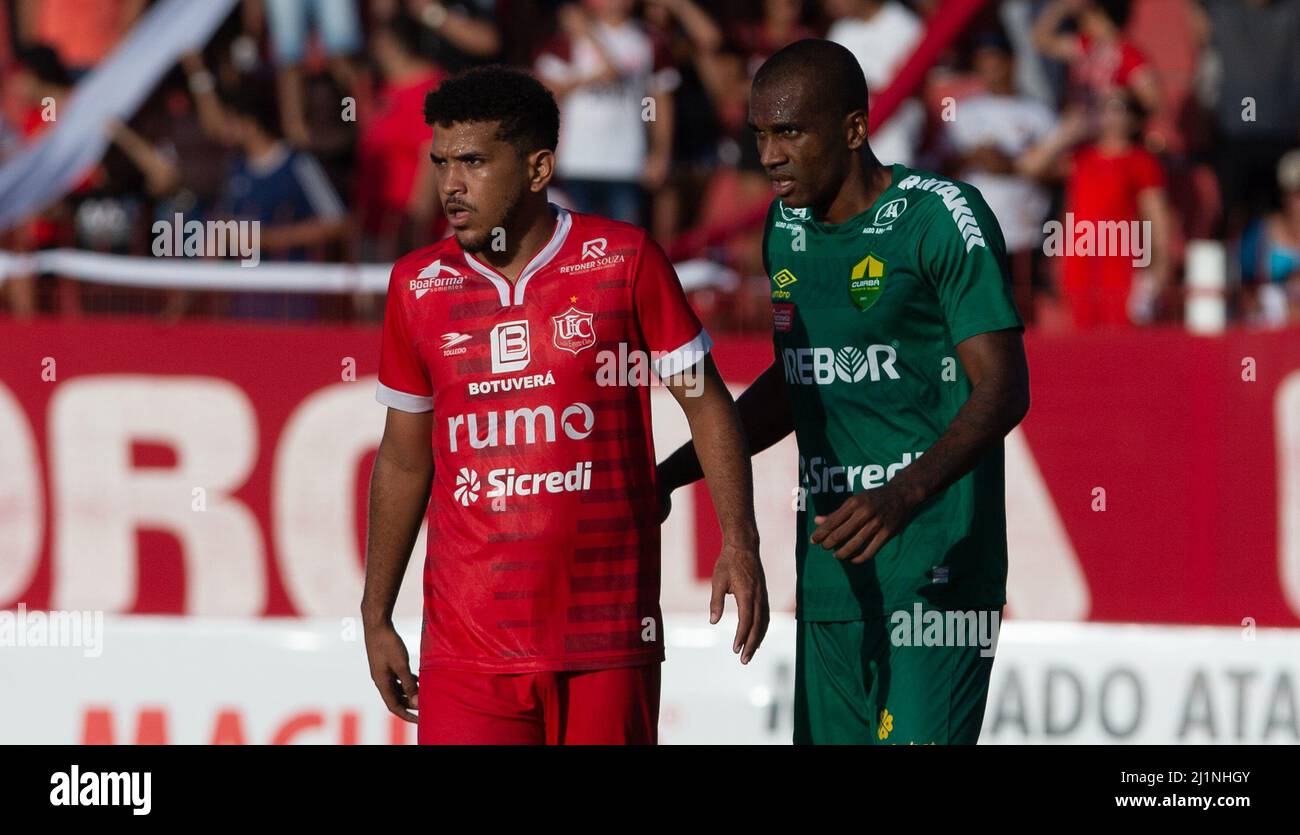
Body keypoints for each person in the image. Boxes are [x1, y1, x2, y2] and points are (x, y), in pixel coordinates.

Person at [360, 66, 767, 745]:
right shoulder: (416, 286)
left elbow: (708, 405)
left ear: (538, 166)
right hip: (466, 651)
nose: (450, 186)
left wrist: (741, 538)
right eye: (440, 163)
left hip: (605, 635)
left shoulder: (624, 260)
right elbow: (404, 462)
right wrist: (375, 613)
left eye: (472, 162)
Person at [657, 39, 1030, 745]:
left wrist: (904, 493)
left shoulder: (941, 215)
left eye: (790, 133)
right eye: (760, 135)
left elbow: (1005, 387)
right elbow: (798, 382)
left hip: (935, 574)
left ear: (855, 130)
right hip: (832, 574)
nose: (769, 156)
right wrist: (673, 474)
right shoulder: (785, 225)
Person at [943, 30, 1058, 323]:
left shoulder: (1038, 113)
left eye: (995, 61)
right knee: (984, 313)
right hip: (977, 231)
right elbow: (948, 161)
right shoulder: (964, 112)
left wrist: (1008, 163)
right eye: (983, 62)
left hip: (1025, 231)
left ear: (1011, 63)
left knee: (1025, 314)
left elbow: (1057, 170)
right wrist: (982, 157)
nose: (989, 69)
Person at [1239, 149, 1300, 326]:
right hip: (1271, 327)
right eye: (1297, 194)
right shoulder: (1261, 233)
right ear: (1284, 195)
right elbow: (1245, 292)